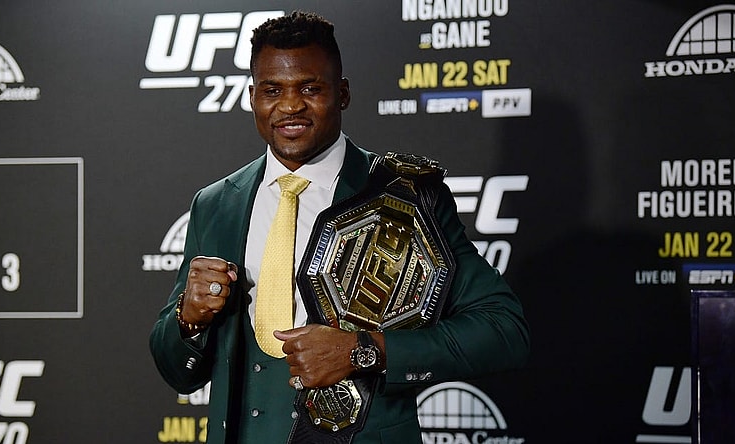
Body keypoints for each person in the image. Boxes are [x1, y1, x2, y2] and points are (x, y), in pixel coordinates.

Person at [150, 11, 529, 444]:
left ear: (343, 93)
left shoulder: (404, 196)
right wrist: (188, 320)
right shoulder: (217, 204)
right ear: (252, 97)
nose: (290, 106)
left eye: (310, 88)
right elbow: (177, 372)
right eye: (272, 90)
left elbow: (504, 331)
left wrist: (365, 351)